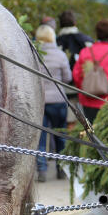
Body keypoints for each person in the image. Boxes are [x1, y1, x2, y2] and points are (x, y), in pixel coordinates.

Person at [72, 19, 108, 123]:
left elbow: (76, 75)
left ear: (97, 33)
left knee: (90, 134)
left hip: (87, 100)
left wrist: (86, 88)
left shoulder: (85, 52)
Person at [35, 24, 72, 182]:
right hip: (58, 100)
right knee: (60, 136)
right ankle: (61, 169)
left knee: (41, 138)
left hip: (40, 101)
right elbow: (67, 78)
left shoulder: (34, 54)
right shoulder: (60, 55)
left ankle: (42, 170)